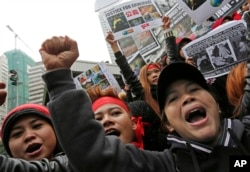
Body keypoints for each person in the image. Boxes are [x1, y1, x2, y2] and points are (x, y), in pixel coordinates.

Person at [39, 35, 250, 172]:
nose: (187, 98)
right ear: (167, 124)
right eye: (173, 98)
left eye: (194, 90)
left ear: (217, 104)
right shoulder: (163, 166)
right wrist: (59, 78)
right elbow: (92, 154)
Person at [0, 85, 74, 171]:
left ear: (55, 130)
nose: (29, 136)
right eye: (17, 134)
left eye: (37, 126)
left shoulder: (80, 162)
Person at [87, 86, 167, 150]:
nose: (106, 120)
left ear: (133, 123)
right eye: (98, 119)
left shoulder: (168, 150)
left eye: (115, 113)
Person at [106, 31, 162, 117]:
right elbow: (129, 74)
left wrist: (166, 30)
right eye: (148, 74)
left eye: (156, 71)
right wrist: (114, 46)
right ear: (144, 78)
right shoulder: (143, 93)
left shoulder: (172, 88)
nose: (154, 75)